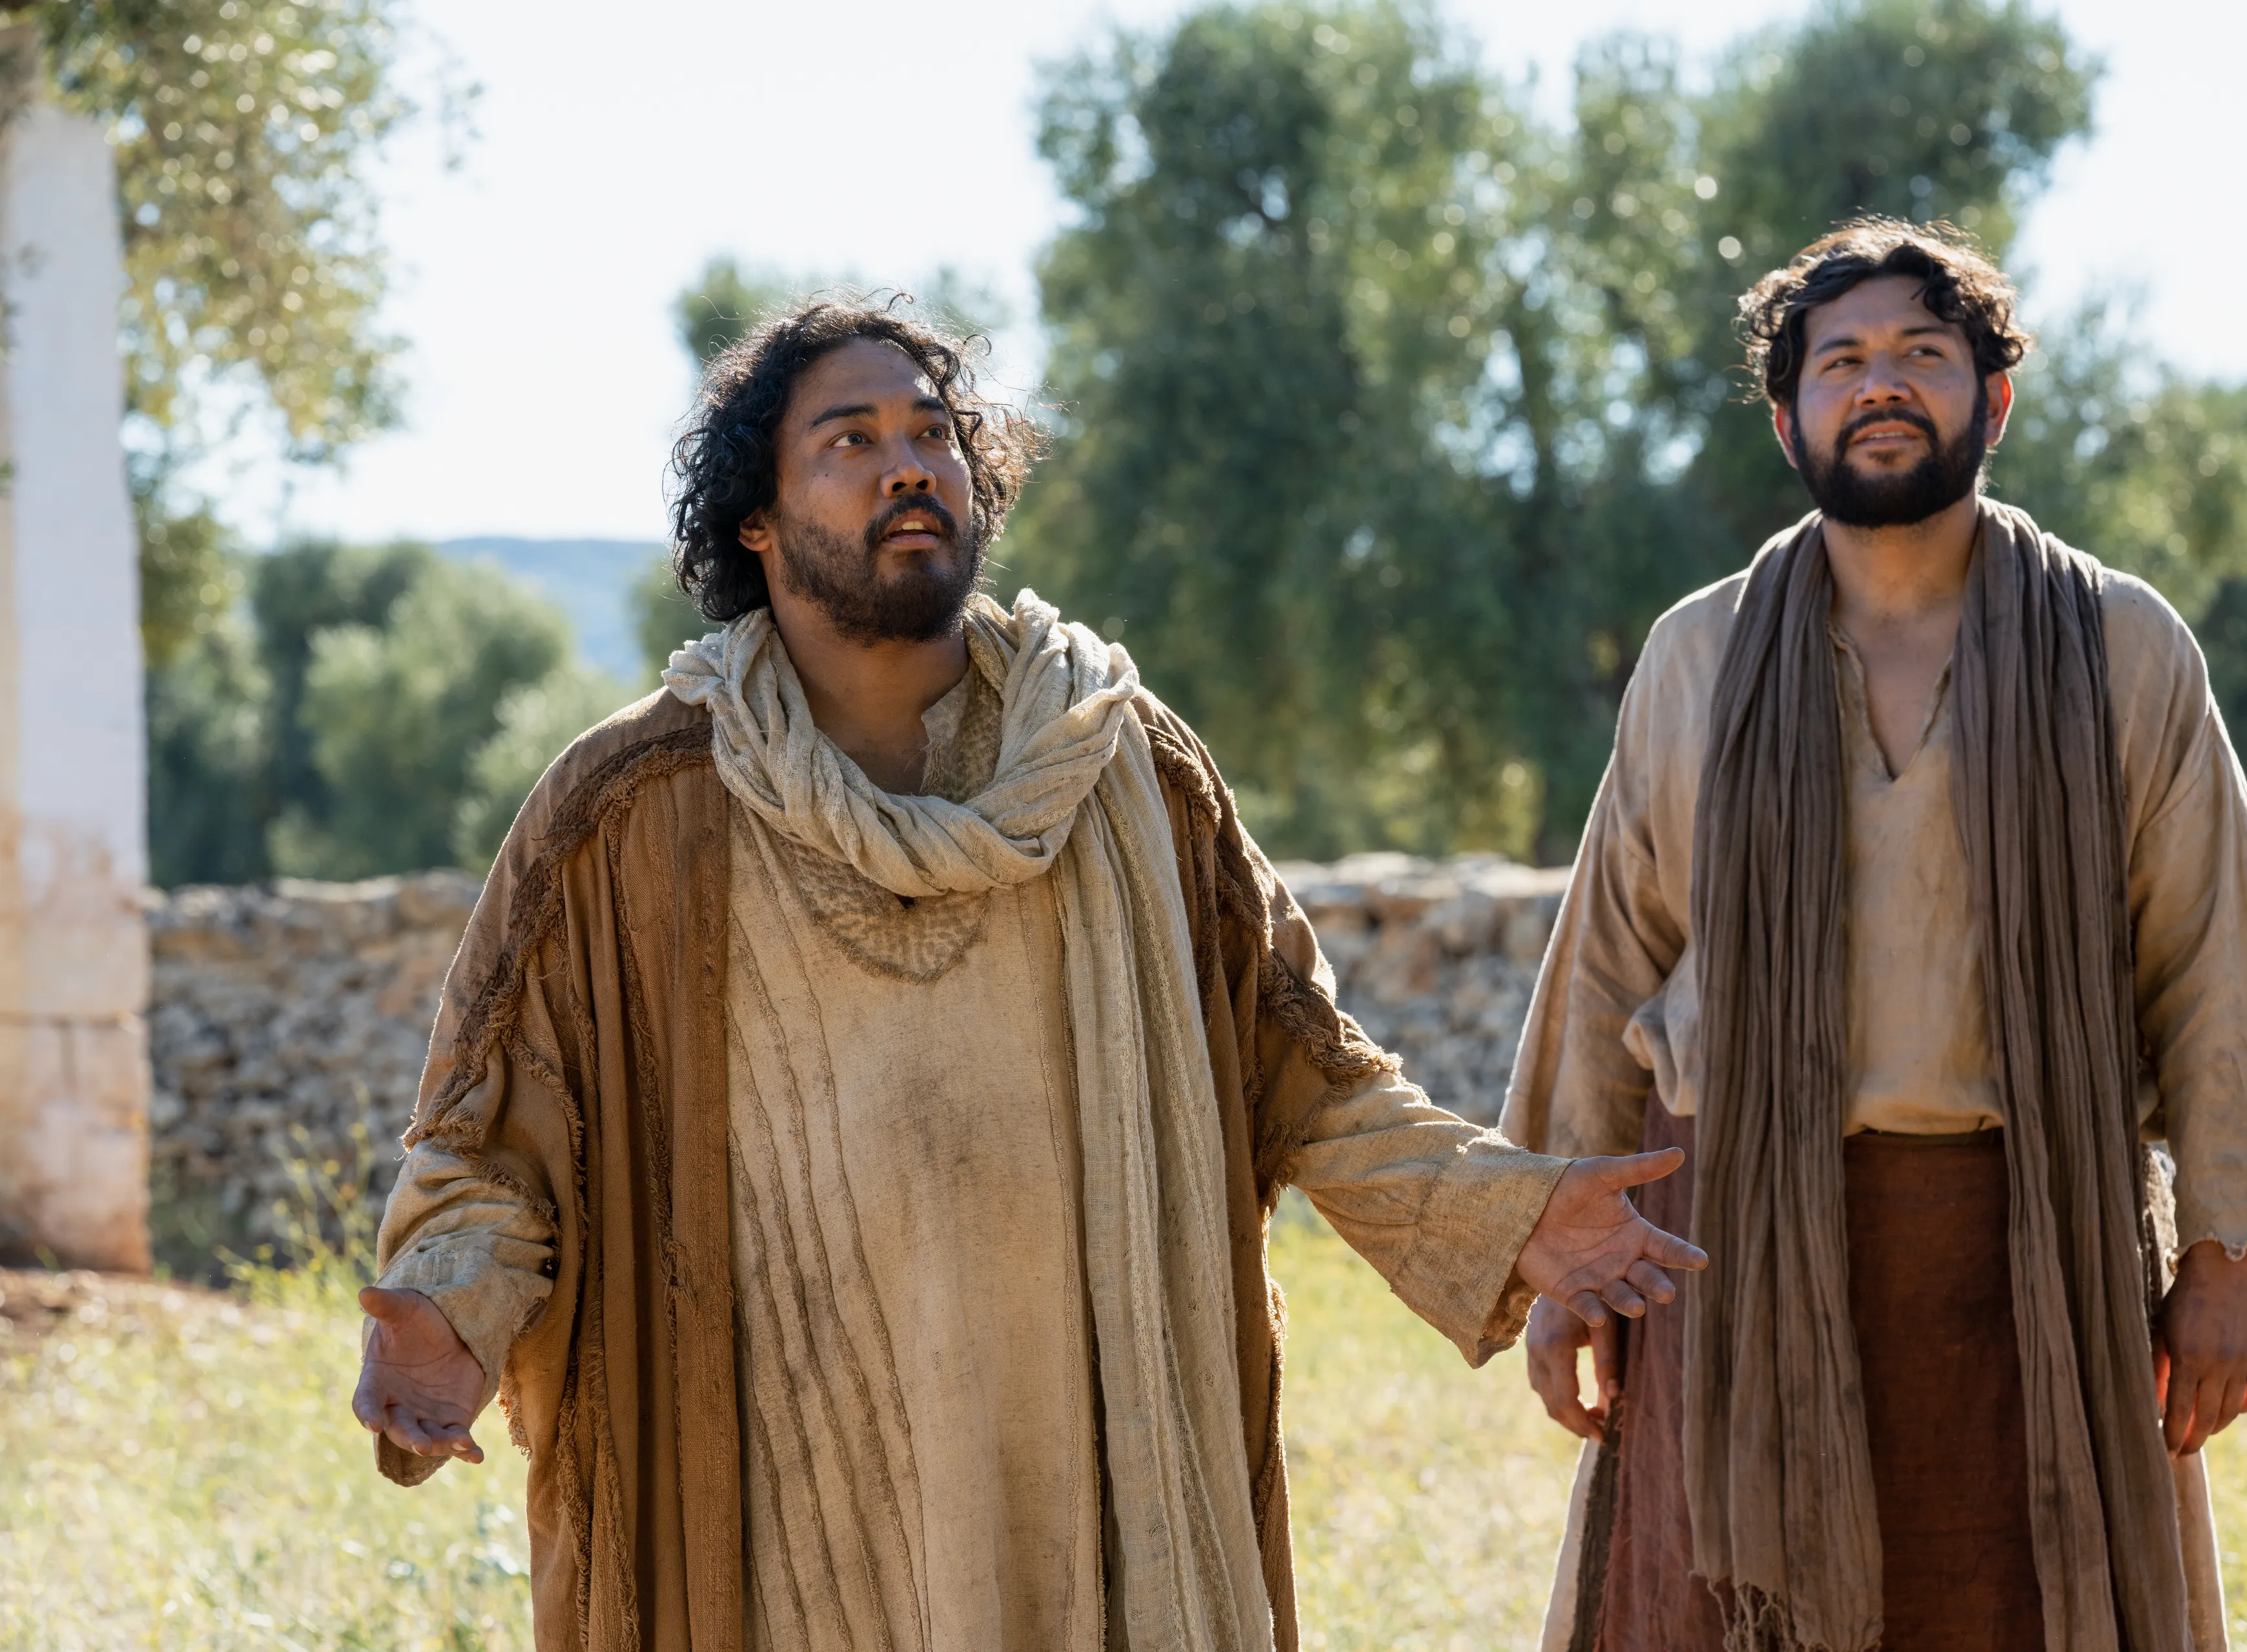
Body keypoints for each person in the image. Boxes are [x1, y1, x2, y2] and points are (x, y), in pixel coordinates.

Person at [347, 296, 1707, 1652]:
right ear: (754, 520)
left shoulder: (1118, 760)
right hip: (778, 1505)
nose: (909, 465)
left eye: (935, 432)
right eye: (851, 439)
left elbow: (1304, 1063)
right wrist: (447, 1315)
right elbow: (494, 1134)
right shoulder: (631, 810)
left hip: (1095, 1485)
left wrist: (1502, 1209)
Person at [1504, 220, 2247, 1652]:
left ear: (1997, 396)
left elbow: (2212, 958)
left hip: (2028, 1252)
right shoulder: (1700, 656)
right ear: (1790, 415)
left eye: (1925, 351)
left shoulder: (2120, 644)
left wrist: (2219, 1261)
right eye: (1842, 360)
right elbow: (1609, 960)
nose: (1884, 383)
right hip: (1732, 1252)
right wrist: (1560, 1254)